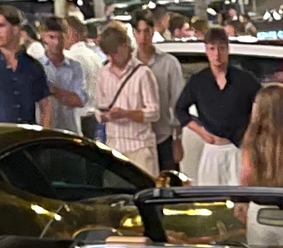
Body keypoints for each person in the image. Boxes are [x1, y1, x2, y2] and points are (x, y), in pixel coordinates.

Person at [174, 27, 256, 184]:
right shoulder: (198, 81)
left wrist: (251, 131)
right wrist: (200, 131)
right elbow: (180, 109)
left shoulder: (244, 79)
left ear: (228, 49)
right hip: (212, 149)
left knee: (241, 197)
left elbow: (262, 103)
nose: (217, 54)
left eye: (221, 48)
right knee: (212, 197)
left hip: (238, 149)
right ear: (206, 50)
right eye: (212, 49)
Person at [92, 25, 160, 176]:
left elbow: (154, 113)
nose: (112, 58)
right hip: (114, 148)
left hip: (140, 147)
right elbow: (98, 107)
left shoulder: (143, 73)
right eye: (108, 54)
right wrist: (103, 116)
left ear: (125, 46)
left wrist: (126, 113)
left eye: (115, 53)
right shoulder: (103, 74)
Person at [0, 11, 52, 126]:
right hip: (1, 134)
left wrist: (43, 131)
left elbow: (46, 103)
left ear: (15, 29)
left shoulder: (32, 65)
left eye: (1, 26)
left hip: (28, 133)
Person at [136, 15, 186, 172]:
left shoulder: (169, 63)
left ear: (152, 32)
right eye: (139, 32)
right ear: (134, 33)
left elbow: (178, 102)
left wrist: (177, 139)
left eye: (147, 31)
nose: (143, 37)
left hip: (163, 137)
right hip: (138, 141)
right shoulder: (129, 64)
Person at [37, 17, 89, 134]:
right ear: (43, 37)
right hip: (44, 133)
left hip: (70, 130)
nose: (56, 43)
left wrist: (52, 90)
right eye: (52, 37)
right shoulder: (36, 66)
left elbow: (79, 100)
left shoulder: (75, 66)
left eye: (60, 38)